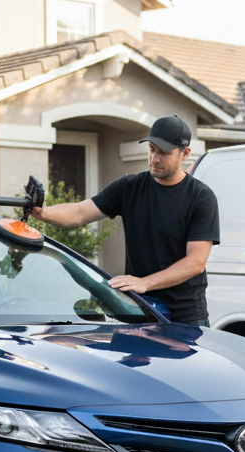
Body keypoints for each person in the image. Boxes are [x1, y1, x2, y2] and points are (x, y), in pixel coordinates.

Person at [30, 115, 220, 326]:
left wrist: (144, 283)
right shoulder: (129, 187)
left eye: (164, 153)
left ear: (184, 153)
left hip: (185, 317)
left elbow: (195, 263)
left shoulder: (201, 197)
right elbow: (80, 212)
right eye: (152, 149)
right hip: (140, 310)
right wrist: (44, 213)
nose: (155, 158)